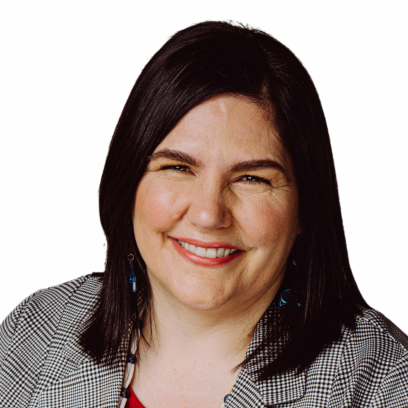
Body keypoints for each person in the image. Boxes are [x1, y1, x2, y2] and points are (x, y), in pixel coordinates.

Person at [0, 20, 407, 408]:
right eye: (178, 168)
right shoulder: (37, 330)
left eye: (251, 178)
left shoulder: (384, 383)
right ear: (128, 184)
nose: (209, 214)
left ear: (305, 208)